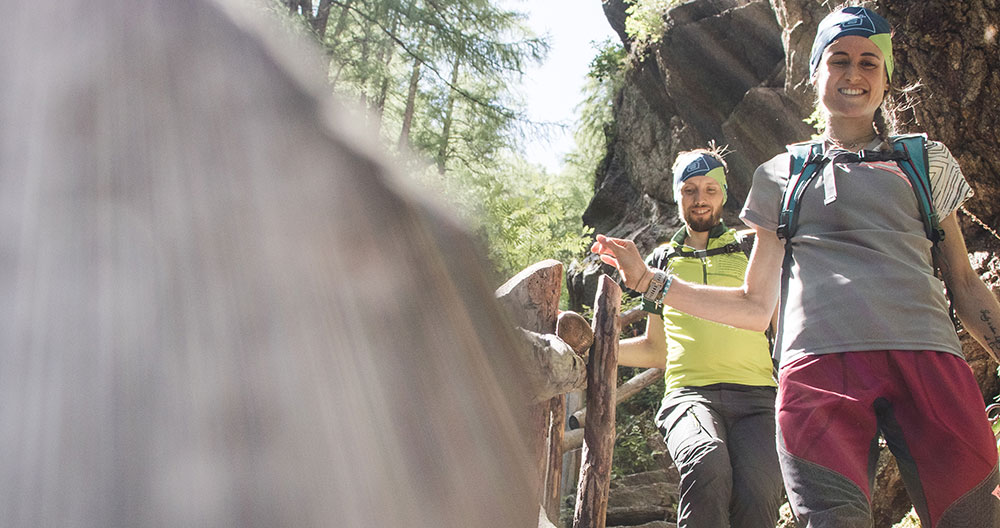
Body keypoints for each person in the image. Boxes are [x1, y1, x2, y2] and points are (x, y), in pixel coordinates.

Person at [592, 6, 1000, 527]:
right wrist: (650, 282)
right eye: (839, 60)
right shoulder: (779, 175)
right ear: (815, 71)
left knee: (973, 517)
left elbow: (965, 283)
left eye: (870, 63)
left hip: (930, 358)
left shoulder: (925, 162)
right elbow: (754, 305)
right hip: (819, 374)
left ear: (888, 77)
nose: (854, 74)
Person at [618, 147, 783, 528]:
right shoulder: (659, 262)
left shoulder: (749, 248)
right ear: (677, 195)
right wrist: (599, 350)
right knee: (706, 460)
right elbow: (655, 348)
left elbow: (778, 328)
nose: (700, 199)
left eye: (710, 189)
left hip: (758, 396)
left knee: (759, 491)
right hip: (690, 396)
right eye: (690, 190)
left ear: (724, 194)